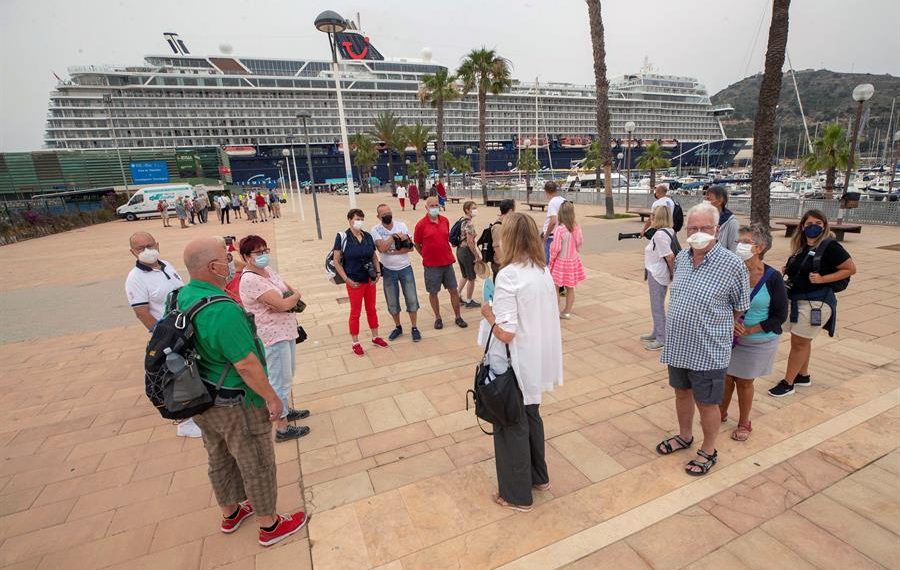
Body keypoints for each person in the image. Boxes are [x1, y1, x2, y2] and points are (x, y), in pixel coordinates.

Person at [178, 238, 307, 547]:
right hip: (235, 400)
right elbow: (247, 364)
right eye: (226, 258)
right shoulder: (221, 309)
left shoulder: (183, 295)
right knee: (257, 461)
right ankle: (269, 524)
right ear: (212, 267)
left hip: (202, 397)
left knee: (219, 456)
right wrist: (272, 398)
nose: (231, 263)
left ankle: (230, 511)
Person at [656, 202, 749, 476]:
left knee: (707, 402)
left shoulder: (732, 264)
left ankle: (709, 450)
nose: (698, 233)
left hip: (709, 349)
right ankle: (685, 435)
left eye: (704, 228)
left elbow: (740, 305)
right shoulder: (682, 258)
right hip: (678, 345)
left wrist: (718, 324)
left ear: (716, 230)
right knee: (681, 392)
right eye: (692, 228)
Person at [479, 213, 563, 512]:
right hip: (535, 360)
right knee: (532, 417)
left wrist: (487, 314)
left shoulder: (509, 275)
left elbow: (506, 332)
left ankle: (516, 494)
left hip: (515, 364)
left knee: (511, 423)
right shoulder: (541, 271)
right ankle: (539, 477)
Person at [768, 209, 856, 397]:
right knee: (801, 340)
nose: (813, 227)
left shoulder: (831, 246)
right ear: (802, 226)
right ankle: (803, 375)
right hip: (798, 299)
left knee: (799, 342)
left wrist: (823, 279)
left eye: (818, 223)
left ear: (824, 225)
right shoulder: (802, 246)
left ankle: (788, 383)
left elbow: (850, 268)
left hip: (816, 301)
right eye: (809, 224)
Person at [124, 231, 199, 439]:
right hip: (168, 335)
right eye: (141, 248)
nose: (147, 250)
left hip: (184, 327)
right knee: (176, 375)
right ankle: (184, 421)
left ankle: (196, 411)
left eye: (150, 245)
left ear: (157, 244)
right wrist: (162, 335)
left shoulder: (166, 265)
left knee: (190, 371)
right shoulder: (135, 278)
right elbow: (141, 312)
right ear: (132, 252)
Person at [238, 235, 310, 442]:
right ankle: (282, 427)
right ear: (246, 256)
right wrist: (292, 297)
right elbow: (284, 302)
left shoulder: (266, 271)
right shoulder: (251, 279)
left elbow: (285, 291)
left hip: (285, 330)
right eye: (258, 252)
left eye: (265, 250)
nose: (263, 255)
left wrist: (288, 297)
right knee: (279, 378)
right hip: (272, 336)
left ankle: (285, 409)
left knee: (288, 374)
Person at [722, 224, 788, 440]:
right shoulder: (731, 271)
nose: (739, 246)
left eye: (745, 242)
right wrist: (729, 322)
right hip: (729, 336)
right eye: (738, 242)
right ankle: (720, 412)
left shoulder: (772, 277)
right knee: (726, 378)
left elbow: (779, 316)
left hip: (757, 339)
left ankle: (744, 422)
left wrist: (750, 329)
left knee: (744, 381)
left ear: (759, 248)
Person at [332, 209, 388, 356]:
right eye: (357, 218)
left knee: (371, 309)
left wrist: (378, 272)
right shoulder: (343, 237)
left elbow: (374, 256)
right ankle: (355, 342)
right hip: (354, 281)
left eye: (361, 218)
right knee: (355, 312)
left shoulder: (367, 236)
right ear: (349, 220)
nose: (359, 221)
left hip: (369, 280)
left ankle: (375, 336)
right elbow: (336, 261)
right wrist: (346, 279)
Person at [414, 196, 468, 330]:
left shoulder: (445, 221)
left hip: (447, 262)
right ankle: (438, 318)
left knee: (453, 290)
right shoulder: (421, 225)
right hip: (431, 265)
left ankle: (458, 316)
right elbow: (416, 243)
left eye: (436, 205)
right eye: (431, 205)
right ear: (426, 208)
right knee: (433, 292)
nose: (434, 207)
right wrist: (424, 255)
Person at [372, 203, 422, 342]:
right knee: (392, 301)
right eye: (383, 214)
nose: (387, 216)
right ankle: (398, 326)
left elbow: (410, 247)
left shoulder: (402, 225)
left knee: (411, 298)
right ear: (378, 216)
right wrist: (394, 237)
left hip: (405, 268)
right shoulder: (375, 230)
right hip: (388, 270)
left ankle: (414, 327)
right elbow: (381, 248)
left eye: (389, 212)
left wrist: (391, 250)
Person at [641, 205, 677, 350]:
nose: (651, 218)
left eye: (653, 216)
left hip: (657, 274)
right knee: (657, 304)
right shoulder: (668, 231)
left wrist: (673, 273)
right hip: (658, 272)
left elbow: (669, 256)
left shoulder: (660, 235)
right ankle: (657, 332)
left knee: (657, 306)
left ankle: (662, 338)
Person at [549, 201, 586, 319]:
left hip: (560, 262)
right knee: (570, 287)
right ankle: (567, 311)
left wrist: (551, 259)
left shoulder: (560, 229)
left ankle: (554, 311)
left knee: (556, 286)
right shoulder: (576, 227)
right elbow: (580, 242)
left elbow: (556, 248)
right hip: (573, 260)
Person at [456, 201, 482, 308]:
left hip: (459, 250)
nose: (475, 210)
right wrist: (476, 255)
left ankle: (456, 295)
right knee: (471, 277)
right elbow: (470, 242)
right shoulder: (469, 223)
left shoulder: (461, 220)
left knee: (465, 275)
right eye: (473, 208)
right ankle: (469, 300)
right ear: (467, 210)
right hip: (467, 251)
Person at [704, 185, 738, 252]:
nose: (705, 201)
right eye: (705, 198)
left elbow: (734, 248)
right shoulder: (701, 218)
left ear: (720, 201)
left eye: (708, 199)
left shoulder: (731, 223)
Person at [489, 199, 515, 279]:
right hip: (500, 264)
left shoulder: (505, 224)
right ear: (510, 210)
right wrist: (504, 265)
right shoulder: (498, 227)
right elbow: (497, 248)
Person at [541, 181, 566, 263]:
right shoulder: (563, 200)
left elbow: (553, 221)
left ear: (546, 191)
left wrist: (546, 236)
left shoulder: (552, 202)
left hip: (551, 236)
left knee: (549, 262)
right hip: (562, 235)